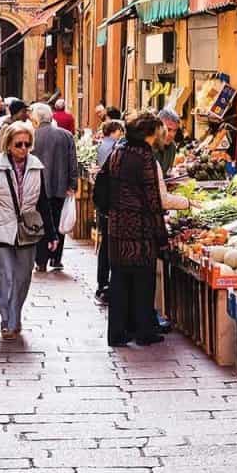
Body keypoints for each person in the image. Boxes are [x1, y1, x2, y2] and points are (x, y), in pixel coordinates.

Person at [102, 112, 189, 346]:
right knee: (143, 283)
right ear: (150, 134)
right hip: (139, 232)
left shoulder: (118, 152)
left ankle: (118, 334)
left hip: (118, 229)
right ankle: (143, 332)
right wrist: (161, 234)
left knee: (119, 282)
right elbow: (154, 199)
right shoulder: (145, 157)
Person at [0, 121, 57, 341]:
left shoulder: (36, 167)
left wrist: (52, 235)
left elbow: (43, 203)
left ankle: (15, 314)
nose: (23, 148)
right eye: (18, 144)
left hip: (28, 230)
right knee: (5, 277)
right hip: (0, 228)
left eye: (27, 144)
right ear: (8, 145)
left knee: (22, 278)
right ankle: (7, 320)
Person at [29, 103, 78, 272]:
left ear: (36, 118)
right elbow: (73, 163)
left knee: (40, 223)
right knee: (58, 222)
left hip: (38, 187)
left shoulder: (32, 136)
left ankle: (41, 260)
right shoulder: (66, 136)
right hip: (60, 186)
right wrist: (72, 184)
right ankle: (56, 258)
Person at [93, 119, 125, 304]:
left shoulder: (103, 146)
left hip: (106, 205)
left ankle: (103, 284)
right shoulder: (115, 148)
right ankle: (106, 285)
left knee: (106, 245)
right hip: (113, 206)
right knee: (108, 247)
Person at [155, 109, 182, 174]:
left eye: (175, 130)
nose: (172, 135)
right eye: (168, 129)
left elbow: (166, 174)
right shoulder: (147, 147)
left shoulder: (172, 148)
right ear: (157, 127)